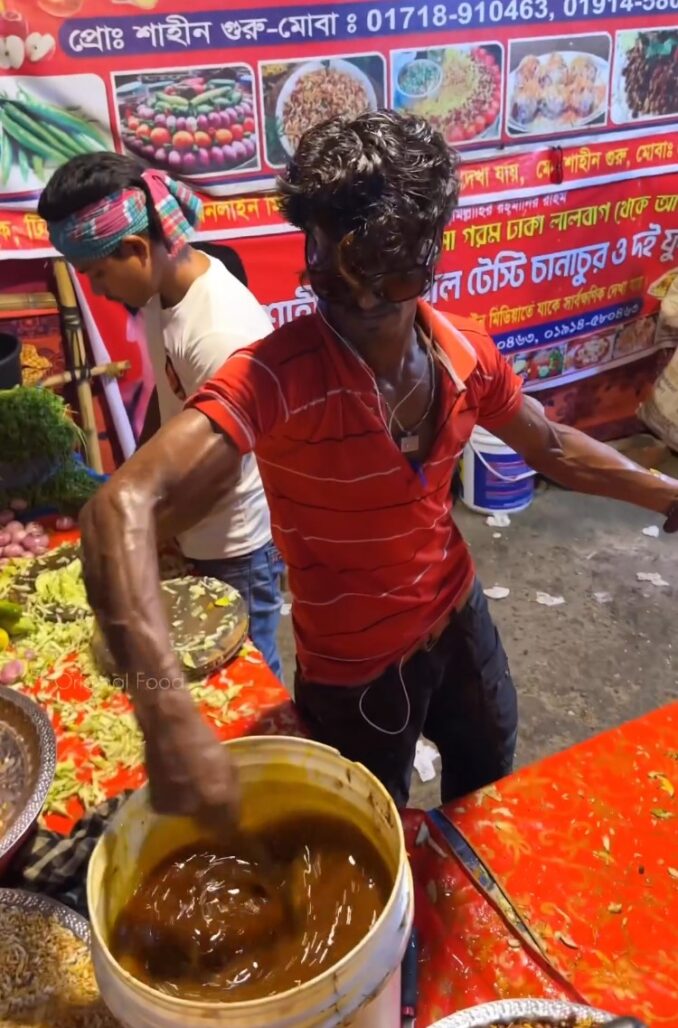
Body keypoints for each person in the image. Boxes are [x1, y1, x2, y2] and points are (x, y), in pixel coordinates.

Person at [49, 112, 677, 823]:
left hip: (460, 625)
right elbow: (116, 509)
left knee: (488, 793)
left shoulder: (464, 352)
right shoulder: (275, 375)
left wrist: (666, 494)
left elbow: (554, 448)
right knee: (369, 824)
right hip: (352, 674)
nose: (369, 300)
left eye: (391, 270)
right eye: (337, 280)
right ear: (311, 253)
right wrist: (166, 718)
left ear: (428, 252)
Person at [38, 155, 284, 678]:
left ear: (134, 249)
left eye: (98, 273)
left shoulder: (220, 333)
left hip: (234, 546)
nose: (97, 290)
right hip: (191, 526)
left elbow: (220, 475)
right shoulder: (162, 294)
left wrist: (137, 538)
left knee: (245, 677)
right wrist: (132, 484)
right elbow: (167, 399)